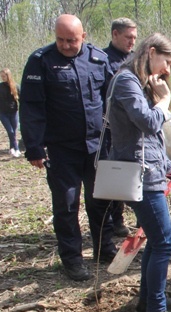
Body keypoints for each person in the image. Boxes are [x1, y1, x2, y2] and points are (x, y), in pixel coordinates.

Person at [20, 14, 116, 281]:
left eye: (71, 40)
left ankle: (103, 247)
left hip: (97, 146)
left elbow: (112, 98)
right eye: (60, 39)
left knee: (101, 201)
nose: (65, 45)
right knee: (66, 204)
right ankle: (72, 259)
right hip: (61, 149)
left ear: (83, 37)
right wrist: (34, 147)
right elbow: (31, 108)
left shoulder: (98, 59)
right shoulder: (41, 61)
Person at [107, 33, 171, 312]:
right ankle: (156, 310)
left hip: (151, 170)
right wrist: (165, 101)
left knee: (157, 241)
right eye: (165, 61)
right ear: (151, 52)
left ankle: (149, 300)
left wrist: (170, 167)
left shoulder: (137, 82)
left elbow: (150, 140)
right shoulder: (126, 81)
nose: (167, 69)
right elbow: (149, 122)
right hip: (140, 176)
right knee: (164, 241)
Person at [103, 17, 138, 237]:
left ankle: (128, 214)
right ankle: (114, 219)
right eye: (128, 37)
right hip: (109, 126)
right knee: (113, 173)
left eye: (135, 37)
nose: (132, 42)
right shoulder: (102, 59)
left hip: (132, 126)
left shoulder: (137, 59)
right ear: (115, 34)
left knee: (130, 171)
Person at [0, 68, 20, 157]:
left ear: (8, 76)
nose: (3, 78)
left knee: (14, 131)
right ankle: (17, 149)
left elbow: (22, 98)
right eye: (1, 76)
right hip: (3, 113)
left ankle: (12, 148)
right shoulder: (0, 87)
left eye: (4, 76)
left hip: (14, 112)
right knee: (10, 131)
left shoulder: (15, 86)